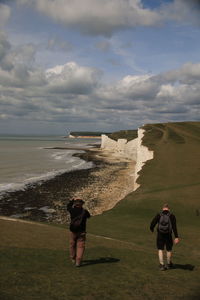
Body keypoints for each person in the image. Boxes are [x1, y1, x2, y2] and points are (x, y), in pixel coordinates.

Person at [150, 203, 179, 271]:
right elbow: (174, 227)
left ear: (163, 208)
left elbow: (152, 223)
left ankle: (162, 265)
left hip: (160, 234)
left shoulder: (159, 215)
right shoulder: (172, 216)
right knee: (169, 249)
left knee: (160, 249)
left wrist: (152, 229)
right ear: (169, 209)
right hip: (168, 234)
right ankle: (168, 264)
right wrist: (176, 237)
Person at [67, 198, 90, 267]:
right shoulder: (84, 211)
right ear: (81, 204)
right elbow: (89, 216)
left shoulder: (72, 210)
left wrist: (71, 202)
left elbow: (68, 207)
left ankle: (73, 257)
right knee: (80, 246)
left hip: (73, 231)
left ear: (75, 204)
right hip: (82, 232)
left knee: (72, 244)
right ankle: (78, 261)